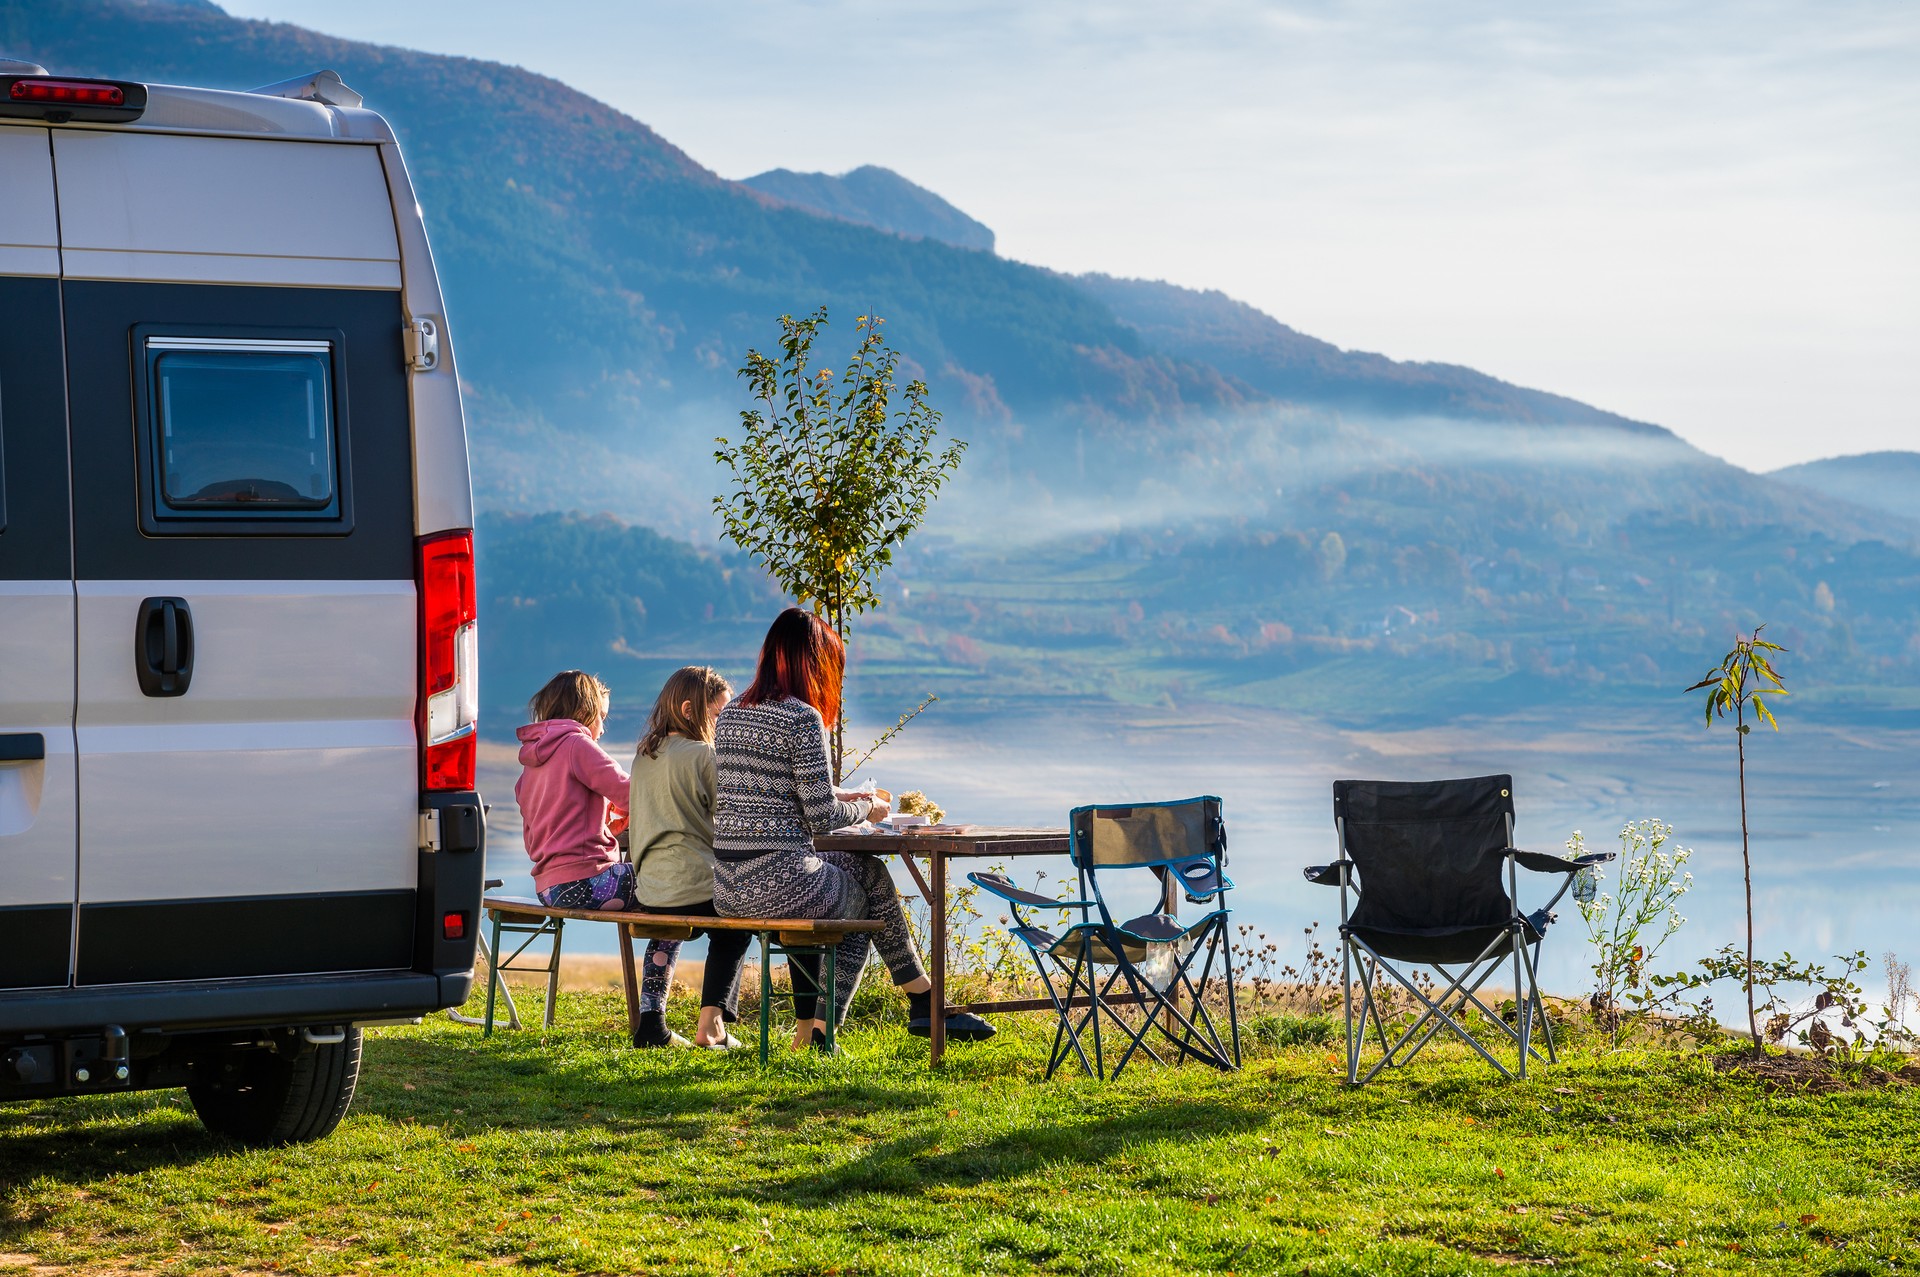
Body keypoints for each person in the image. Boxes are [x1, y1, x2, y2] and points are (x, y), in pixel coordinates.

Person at [711, 607, 994, 1048]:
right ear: (815, 663)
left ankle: (920, 999)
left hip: (729, 885)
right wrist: (867, 809)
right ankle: (833, 1029)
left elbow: (777, 795)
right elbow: (821, 817)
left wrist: (849, 801)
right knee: (859, 903)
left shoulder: (730, 715)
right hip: (777, 881)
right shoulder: (801, 718)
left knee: (866, 873)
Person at [625, 666, 752, 1050]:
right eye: (718, 715)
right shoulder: (704, 756)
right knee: (738, 922)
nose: (722, 725)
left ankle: (651, 1023)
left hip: (651, 890)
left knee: (669, 928)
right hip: (695, 886)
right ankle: (711, 1024)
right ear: (688, 710)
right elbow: (738, 818)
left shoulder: (644, 756)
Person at [514, 669, 634, 912]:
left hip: (549, 889)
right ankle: (661, 952)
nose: (602, 729)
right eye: (601, 715)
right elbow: (633, 794)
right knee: (677, 885)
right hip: (587, 882)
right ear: (583, 711)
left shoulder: (530, 767)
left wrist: (602, 825)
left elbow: (557, 823)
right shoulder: (577, 745)